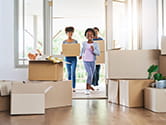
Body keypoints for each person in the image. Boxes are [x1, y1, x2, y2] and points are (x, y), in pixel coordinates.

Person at [79, 28, 100, 95]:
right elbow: (82, 50)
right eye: (88, 34)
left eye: (91, 34)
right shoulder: (84, 43)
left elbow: (98, 53)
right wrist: (80, 55)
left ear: (93, 35)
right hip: (86, 61)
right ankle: (87, 89)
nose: (89, 36)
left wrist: (93, 50)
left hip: (93, 61)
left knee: (92, 74)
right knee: (90, 74)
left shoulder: (95, 44)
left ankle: (89, 85)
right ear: (86, 35)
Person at [62, 26, 78, 92]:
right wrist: (62, 52)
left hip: (74, 58)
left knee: (73, 72)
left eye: (71, 32)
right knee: (69, 73)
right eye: (68, 32)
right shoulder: (64, 42)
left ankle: (73, 87)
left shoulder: (75, 41)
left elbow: (77, 49)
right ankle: (69, 87)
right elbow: (63, 51)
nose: (70, 34)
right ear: (66, 33)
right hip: (67, 58)